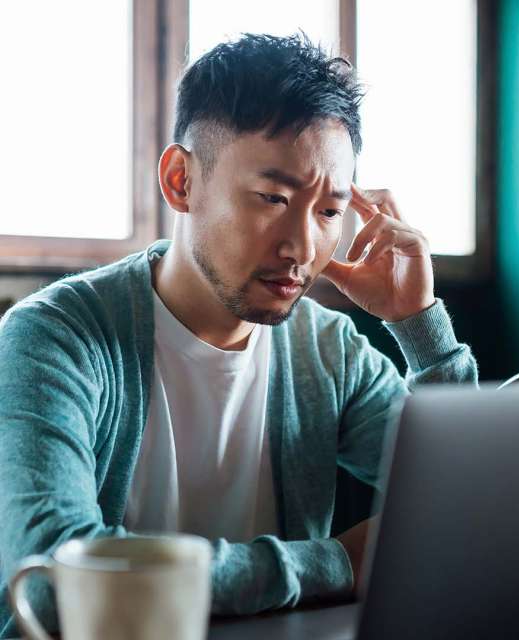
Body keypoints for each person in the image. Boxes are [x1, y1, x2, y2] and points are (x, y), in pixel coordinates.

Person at [0, 33, 477, 637]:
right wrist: (338, 561)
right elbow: (50, 580)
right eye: (272, 197)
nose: (302, 247)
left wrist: (418, 325)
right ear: (180, 181)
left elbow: (466, 507)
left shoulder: (329, 351)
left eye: (329, 211)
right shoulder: (55, 337)